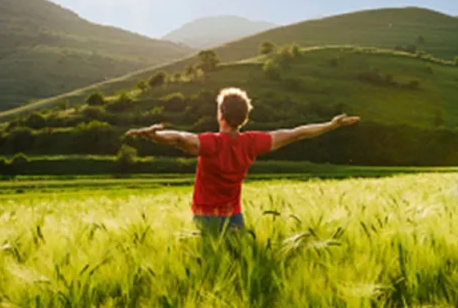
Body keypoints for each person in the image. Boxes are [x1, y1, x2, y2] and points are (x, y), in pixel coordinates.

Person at [125, 87, 359, 233]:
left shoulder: (210, 143)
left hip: (206, 218)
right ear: (245, 118)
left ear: (220, 115)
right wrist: (330, 125)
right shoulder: (252, 142)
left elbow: (179, 138)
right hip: (235, 217)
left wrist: (154, 136)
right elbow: (297, 132)